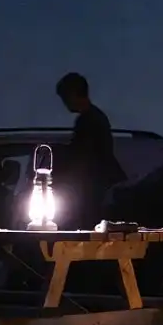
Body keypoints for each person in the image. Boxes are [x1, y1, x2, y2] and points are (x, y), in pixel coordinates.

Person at [55, 72, 127, 229]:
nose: (65, 103)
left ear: (73, 94)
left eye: (65, 98)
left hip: (93, 190)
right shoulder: (95, 117)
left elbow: (83, 156)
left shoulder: (88, 120)